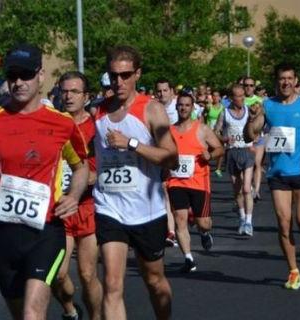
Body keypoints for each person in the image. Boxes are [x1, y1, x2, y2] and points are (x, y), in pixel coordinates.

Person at [0, 44, 90, 319]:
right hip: (2, 233)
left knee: (32, 313)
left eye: (26, 75)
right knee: (20, 314)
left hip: (46, 231)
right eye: (13, 75)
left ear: (41, 76)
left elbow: (81, 166)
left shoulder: (62, 123)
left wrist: (73, 196)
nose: (18, 82)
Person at [93, 45, 177, 319]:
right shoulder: (98, 112)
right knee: (112, 284)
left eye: (126, 75)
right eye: (114, 75)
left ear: (137, 74)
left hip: (146, 211)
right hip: (109, 208)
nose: (119, 81)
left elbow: (171, 159)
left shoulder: (151, 110)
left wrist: (131, 144)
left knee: (154, 280)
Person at [246, 64, 300, 290]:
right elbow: (251, 134)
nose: (286, 83)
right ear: (276, 81)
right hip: (277, 173)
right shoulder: (267, 105)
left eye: (290, 78)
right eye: (282, 79)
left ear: (296, 80)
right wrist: (251, 119)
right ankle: (293, 271)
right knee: (283, 224)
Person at [51, 71, 103, 320]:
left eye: (75, 92)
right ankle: (70, 309)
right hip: (59, 209)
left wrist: (88, 179)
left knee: (87, 273)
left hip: (87, 206)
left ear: (86, 96)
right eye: (65, 91)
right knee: (57, 273)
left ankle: (96, 316)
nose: (68, 96)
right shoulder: (52, 123)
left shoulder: (96, 127)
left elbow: (104, 167)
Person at [167, 93, 224, 273]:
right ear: (176, 107)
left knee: (204, 222)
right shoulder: (169, 131)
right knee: (179, 219)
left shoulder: (202, 129)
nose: (183, 108)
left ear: (192, 108)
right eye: (180, 105)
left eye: (186, 105)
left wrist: (211, 155)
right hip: (176, 181)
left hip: (199, 181)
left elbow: (220, 148)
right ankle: (188, 258)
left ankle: (204, 232)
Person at [214, 84, 256, 236]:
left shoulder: (249, 112)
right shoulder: (224, 113)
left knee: (246, 188)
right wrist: (224, 138)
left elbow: (257, 129)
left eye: (242, 95)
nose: (241, 99)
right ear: (231, 98)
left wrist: (254, 140)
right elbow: (216, 131)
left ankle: (249, 223)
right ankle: (242, 218)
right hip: (232, 153)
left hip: (247, 151)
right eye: (237, 96)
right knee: (237, 190)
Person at [154, 78, 179, 247]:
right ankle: (171, 232)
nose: (162, 94)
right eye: (159, 91)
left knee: (178, 194)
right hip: (160, 156)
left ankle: (184, 220)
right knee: (164, 191)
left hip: (180, 156)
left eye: (165, 90)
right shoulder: (153, 108)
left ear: (171, 91)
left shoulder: (179, 108)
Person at [243, 77, 265, 202]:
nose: (249, 87)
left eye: (251, 85)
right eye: (246, 85)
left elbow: (262, 118)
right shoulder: (239, 99)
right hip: (244, 138)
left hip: (258, 137)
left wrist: (257, 134)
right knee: (246, 165)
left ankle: (256, 190)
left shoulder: (259, 101)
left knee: (257, 163)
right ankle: (248, 187)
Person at [205, 90, 226, 177]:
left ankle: (218, 168)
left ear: (220, 97)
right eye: (214, 96)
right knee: (207, 150)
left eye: (217, 96)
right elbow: (203, 116)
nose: (215, 98)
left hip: (218, 131)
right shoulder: (209, 106)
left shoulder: (223, 108)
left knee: (220, 149)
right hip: (209, 131)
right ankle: (205, 167)